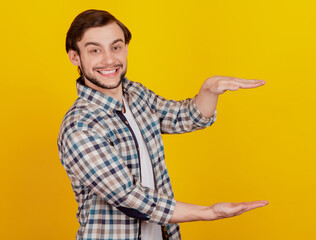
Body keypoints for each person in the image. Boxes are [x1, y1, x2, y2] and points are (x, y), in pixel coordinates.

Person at [57, 9, 268, 240]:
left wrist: (208, 90)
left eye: (115, 47)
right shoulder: (80, 127)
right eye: (95, 50)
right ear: (75, 57)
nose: (109, 59)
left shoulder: (136, 94)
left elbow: (182, 117)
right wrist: (207, 212)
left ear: (126, 48)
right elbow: (131, 198)